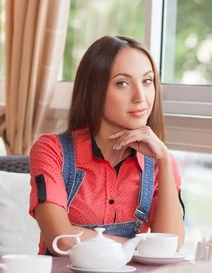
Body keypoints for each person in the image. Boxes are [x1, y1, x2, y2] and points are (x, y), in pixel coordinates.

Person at [29, 35, 185, 255]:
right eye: (122, 83)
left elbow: (171, 246)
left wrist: (165, 161)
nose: (140, 97)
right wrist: (144, 247)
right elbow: (61, 240)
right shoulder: (53, 150)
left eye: (147, 81)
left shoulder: (160, 163)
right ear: (95, 90)